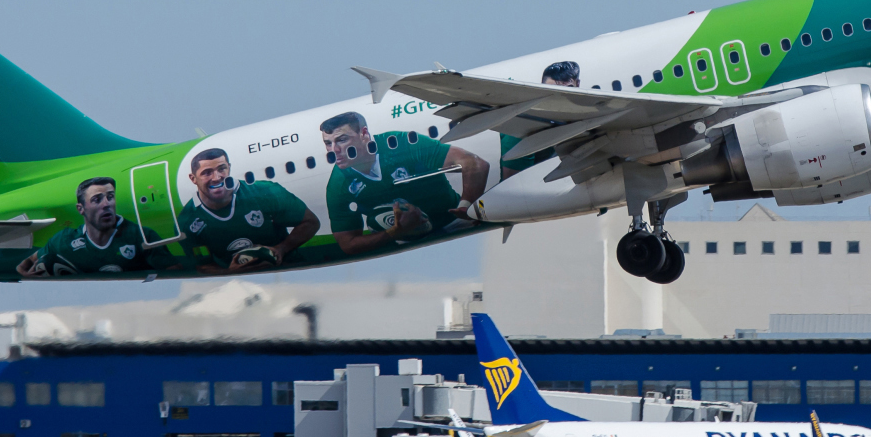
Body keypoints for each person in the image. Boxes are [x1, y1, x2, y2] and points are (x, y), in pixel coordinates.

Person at [321, 111, 490, 256]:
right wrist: (395, 231)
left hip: (455, 222)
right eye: (328, 143)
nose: (334, 151)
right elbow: (348, 244)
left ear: (364, 134)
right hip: (401, 241)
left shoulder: (400, 143)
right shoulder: (338, 184)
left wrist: (466, 206)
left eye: (342, 140)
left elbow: (475, 163)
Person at [175, 148, 321, 274]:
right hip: (239, 285)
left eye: (221, 169)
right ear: (193, 179)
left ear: (229, 168)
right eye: (207, 173)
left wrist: (281, 249)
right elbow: (202, 265)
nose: (217, 177)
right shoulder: (188, 221)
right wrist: (230, 272)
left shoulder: (266, 192)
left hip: (289, 269)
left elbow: (310, 222)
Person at [16, 177, 170, 277]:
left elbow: (174, 270)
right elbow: (28, 262)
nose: (106, 204)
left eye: (110, 197)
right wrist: (24, 272)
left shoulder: (142, 236)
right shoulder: (65, 240)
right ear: (80, 209)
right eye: (97, 199)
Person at [501, 61, 581, 178]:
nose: (560, 97)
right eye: (552, 91)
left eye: (568, 90)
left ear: (578, 84)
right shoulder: (526, 124)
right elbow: (514, 182)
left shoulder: (573, 117)